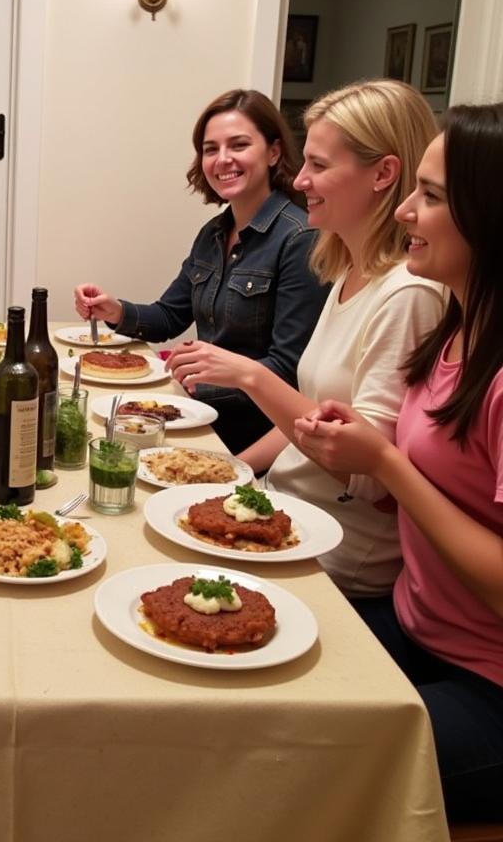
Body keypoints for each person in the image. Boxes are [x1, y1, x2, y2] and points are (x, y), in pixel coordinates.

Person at [292, 103, 503, 822]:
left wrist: (383, 461)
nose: (407, 209)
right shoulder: (452, 332)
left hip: (485, 683)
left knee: (300, 763)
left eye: (433, 196)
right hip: (412, 630)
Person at [166, 79, 444, 597]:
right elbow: (311, 411)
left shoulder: (409, 295)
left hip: (335, 559)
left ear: (383, 173)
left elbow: (370, 481)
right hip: (280, 510)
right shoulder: (347, 270)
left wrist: (249, 376)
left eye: (319, 165)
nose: (301, 180)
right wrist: (234, 471)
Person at [75, 88, 328, 455]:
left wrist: (197, 381)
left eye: (238, 145)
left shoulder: (299, 239)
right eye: (211, 149)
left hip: (252, 437)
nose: (223, 159)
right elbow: (167, 317)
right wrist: (114, 310)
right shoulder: (213, 233)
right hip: (202, 416)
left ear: (274, 152)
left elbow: (290, 369)